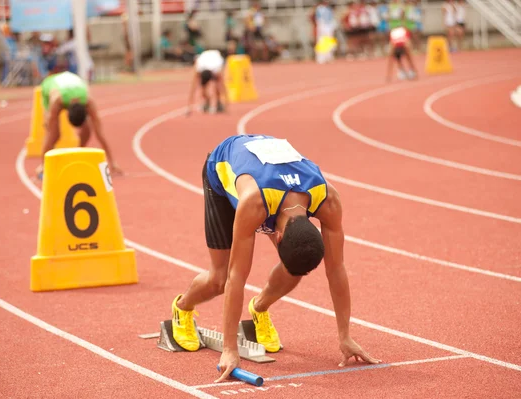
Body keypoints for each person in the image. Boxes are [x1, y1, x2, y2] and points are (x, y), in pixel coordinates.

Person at [168, 134, 381, 382]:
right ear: (277, 237)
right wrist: (229, 350)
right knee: (219, 278)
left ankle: (259, 308)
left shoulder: (328, 200)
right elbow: (236, 278)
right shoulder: (253, 204)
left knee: (296, 266)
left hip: (273, 180)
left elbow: (336, 269)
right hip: (223, 168)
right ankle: (182, 307)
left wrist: (345, 336)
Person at [35, 71, 121, 177]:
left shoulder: (89, 102)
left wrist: (112, 162)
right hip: (50, 84)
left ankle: (76, 154)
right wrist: (48, 122)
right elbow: (49, 127)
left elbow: (100, 134)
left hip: (73, 82)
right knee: (53, 134)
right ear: (66, 112)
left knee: (87, 131)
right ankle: (44, 166)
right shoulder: (57, 101)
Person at [187, 49, 229, 115]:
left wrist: (226, 105)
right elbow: (193, 87)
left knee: (218, 86)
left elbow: (223, 87)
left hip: (217, 58)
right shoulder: (198, 68)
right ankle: (207, 101)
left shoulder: (217, 70)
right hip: (204, 59)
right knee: (203, 89)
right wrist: (189, 106)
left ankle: (218, 102)